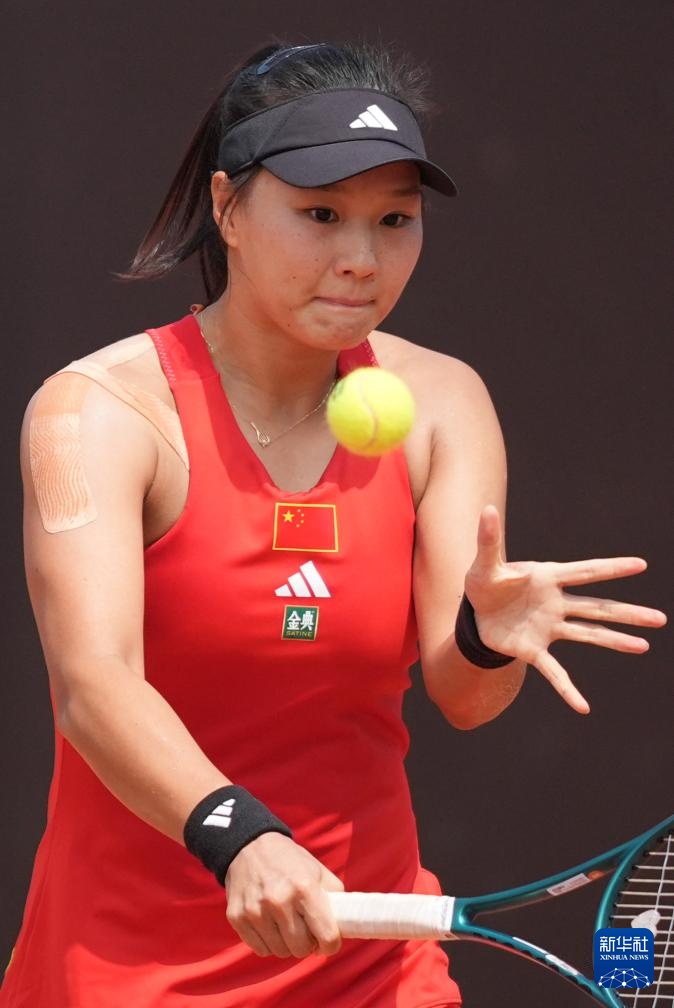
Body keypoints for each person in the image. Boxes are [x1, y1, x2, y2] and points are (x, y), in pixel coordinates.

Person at [2, 40, 665, 1008]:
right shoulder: (98, 412)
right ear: (229, 209)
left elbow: (464, 696)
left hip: (370, 959)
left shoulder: (443, 402)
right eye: (320, 215)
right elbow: (94, 685)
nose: (361, 259)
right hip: (125, 971)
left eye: (394, 220)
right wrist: (241, 836)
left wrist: (483, 635)